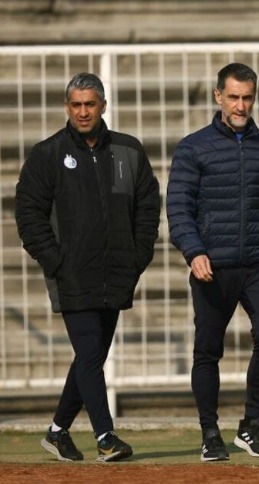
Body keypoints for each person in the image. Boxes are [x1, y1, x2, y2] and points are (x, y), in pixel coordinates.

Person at [15, 72, 160, 462]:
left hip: (117, 274)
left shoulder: (129, 151)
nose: (83, 112)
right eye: (76, 105)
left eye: (90, 104)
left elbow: (148, 207)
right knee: (91, 355)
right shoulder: (47, 154)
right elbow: (28, 214)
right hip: (72, 276)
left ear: (103, 106)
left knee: (89, 358)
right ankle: (106, 437)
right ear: (67, 107)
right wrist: (56, 261)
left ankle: (57, 432)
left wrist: (137, 256)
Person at [167, 62, 259, 462]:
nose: (241, 106)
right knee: (208, 350)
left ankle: (250, 424)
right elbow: (179, 208)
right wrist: (194, 251)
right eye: (234, 97)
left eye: (248, 98)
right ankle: (210, 432)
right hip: (213, 266)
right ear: (218, 96)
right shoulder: (193, 147)